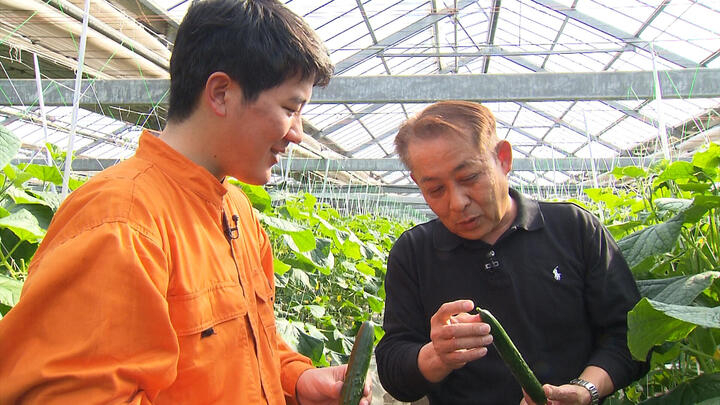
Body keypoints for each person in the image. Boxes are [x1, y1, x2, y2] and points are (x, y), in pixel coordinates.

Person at [0, 1, 371, 404]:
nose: (297, 133)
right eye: (290, 108)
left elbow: (250, 347)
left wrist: (297, 381)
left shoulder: (239, 213)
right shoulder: (121, 221)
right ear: (221, 93)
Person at [375, 101, 647, 405]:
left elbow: (630, 337)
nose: (457, 202)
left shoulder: (574, 229)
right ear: (418, 184)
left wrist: (585, 390)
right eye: (436, 190)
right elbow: (392, 366)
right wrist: (436, 356)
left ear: (503, 158)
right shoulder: (413, 252)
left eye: (469, 177)